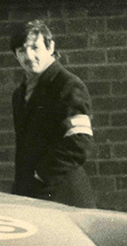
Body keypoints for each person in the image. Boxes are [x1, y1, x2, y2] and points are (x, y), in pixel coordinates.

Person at [10, 19, 97, 207]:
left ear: (50, 47)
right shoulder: (19, 94)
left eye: (35, 47)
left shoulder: (68, 85)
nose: (29, 56)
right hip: (33, 196)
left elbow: (79, 143)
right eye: (22, 50)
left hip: (64, 197)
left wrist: (40, 175)